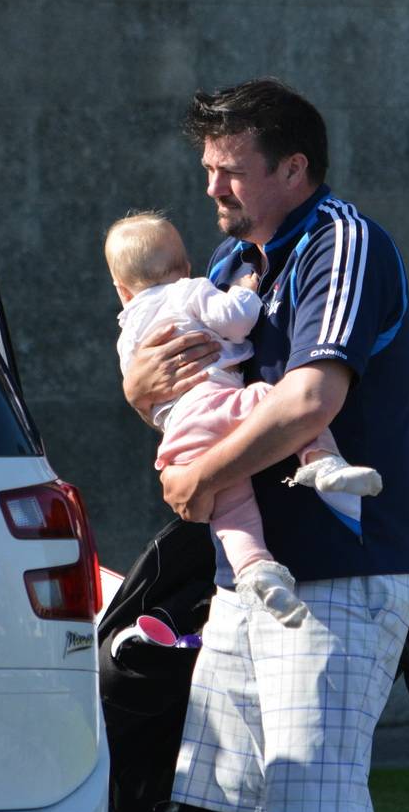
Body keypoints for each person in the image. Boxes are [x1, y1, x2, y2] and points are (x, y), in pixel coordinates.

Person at [122, 77, 409, 812]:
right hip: (248, 579)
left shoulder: (343, 242)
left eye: (230, 169)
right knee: (258, 803)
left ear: (294, 168)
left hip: (338, 569)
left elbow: (310, 400)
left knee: (324, 805)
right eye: (208, 168)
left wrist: (195, 479)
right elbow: (180, 391)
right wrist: (139, 391)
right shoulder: (226, 267)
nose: (212, 186)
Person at [104, 210, 382, 627]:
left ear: (122, 290)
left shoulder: (128, 332)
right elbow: (236, 322)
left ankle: (254, 569)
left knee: (230, 507)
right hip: (219, 403)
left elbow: (146, 392)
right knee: (273, 399)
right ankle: (322, 462)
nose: (212, 190)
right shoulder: (190, 288)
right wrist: (245, 292)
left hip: (182, 434)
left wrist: (137, 393)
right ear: (185, 267)